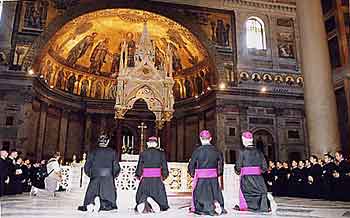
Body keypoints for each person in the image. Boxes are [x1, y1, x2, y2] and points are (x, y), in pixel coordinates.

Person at [78, 134, 120, 214]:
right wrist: (112, 175)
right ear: (107, 142)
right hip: (108, 177)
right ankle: (103, 204)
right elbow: (116, 167)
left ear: (99, 142)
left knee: (91, 194)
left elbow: (87, 166)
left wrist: (92, 175)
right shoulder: (112, 152)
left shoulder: (92, 151)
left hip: (95, 176)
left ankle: (90, 204)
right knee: (109, 199)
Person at [234, 131, 275, 213]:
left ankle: (250, 206)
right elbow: (265, 167)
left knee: (248, 192)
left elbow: (238, 166)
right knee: (260, 191)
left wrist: (238, 170)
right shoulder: (260, 152)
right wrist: (257, 171)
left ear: (244, 140)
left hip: (247, 178)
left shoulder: (243, 152)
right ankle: (262, 206)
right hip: (258, 178)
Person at [188, 130, 226, 216]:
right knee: (214, 192)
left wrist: (192, 173)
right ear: (210, 138)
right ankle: (217, 204)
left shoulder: (197, 151)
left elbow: (191, 164)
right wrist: (218, 173)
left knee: (202, 195)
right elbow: (220, 163)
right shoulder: (217, 150)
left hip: (201, 177)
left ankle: (207, 208)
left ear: (201, 138)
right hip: (213, 176)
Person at [135, 136, 169, 213]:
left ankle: (143, 203)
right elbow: (164, 166)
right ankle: (159, 205)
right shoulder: (161, 153)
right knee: (159, 193)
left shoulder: (143, 153)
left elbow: (140, 165)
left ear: (148, 144)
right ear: (156, 144)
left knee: (143, 192)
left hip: (146, 178)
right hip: (156, 178)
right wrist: (164, 175)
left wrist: (138, 175)